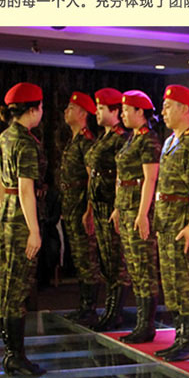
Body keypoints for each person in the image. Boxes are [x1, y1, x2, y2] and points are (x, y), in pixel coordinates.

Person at [0, 81, 47, 375]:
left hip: (7, 214)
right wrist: (33, 230)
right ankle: (15, 355)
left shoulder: (4, 137)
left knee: (7, 285)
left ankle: (10, 351)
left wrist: (6, 210)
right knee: (18, 287)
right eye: (40, 107)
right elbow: (26, 189)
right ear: (32, 109)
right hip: (22, 217)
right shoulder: (25, 142)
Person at [153, 85, 189, 361]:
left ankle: (188, 341)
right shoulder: (169, 141)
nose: (163, 112)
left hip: (181, 220)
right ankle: (178, 337)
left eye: (168, 106)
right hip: (166, 221)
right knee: (170, 281)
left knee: (184, 281)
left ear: (184, 109)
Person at [110, 90, 161, 343]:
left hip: (138, 209)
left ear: (140, 112)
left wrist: (142, 213)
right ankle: (141, 322)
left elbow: (150, 178)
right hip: (126, 206)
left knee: (144, 266)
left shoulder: (148, 140)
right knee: (133, 266)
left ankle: (146, 324)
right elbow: (122, 177)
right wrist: (118, 208)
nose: (123, 114)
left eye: (127, 110)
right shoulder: (132, 138)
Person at [83, 87, 131, 331]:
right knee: (105, 260)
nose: (97, 112)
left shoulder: (121, 138)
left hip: (112, 205)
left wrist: (118, 206)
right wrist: (89, 209)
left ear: (115, 111)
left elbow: (122, 176)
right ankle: (109, 308)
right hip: (99, 203)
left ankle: (115, 311)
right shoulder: (103, 138)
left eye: (102, 108)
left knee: (115, 260)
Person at [60, 91, 101, 326]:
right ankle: (83, 305)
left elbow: (92, 179)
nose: (66, 112)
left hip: (81, 207)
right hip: (71, 206)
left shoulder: (86, 142)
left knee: (87, 258)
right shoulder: (73, 140)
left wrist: (90, 210)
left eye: (71, 108)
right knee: (78, 256)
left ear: (83, 113)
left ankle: (89, 308)